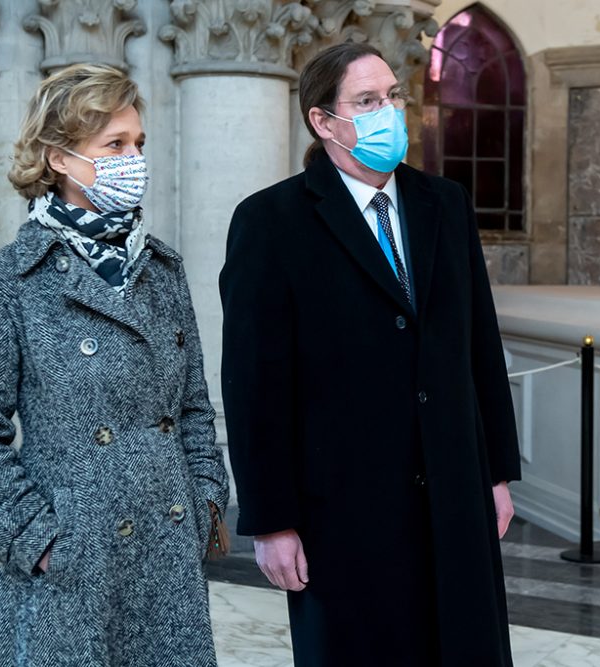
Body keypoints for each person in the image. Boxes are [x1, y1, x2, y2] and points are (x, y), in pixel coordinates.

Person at [220, 42, 521, 666]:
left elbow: (479, 346)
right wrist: (271, 520)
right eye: (366, 101)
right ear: (323, 121)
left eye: (391, 97)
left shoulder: (446, 204)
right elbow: (254, 385)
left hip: (453, 486)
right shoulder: (271, 222)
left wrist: (495, 471)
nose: (387, 112)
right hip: (344, 506)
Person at [0, 63, 229, 666]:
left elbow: (193, 410)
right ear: (59, 158)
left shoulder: (162, 270)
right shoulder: (2, 281)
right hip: (71, 565)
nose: (135, 160)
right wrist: (38, 538)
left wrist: (205, 499)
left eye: (140, 143)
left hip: (166, 546)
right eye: (116, 145)